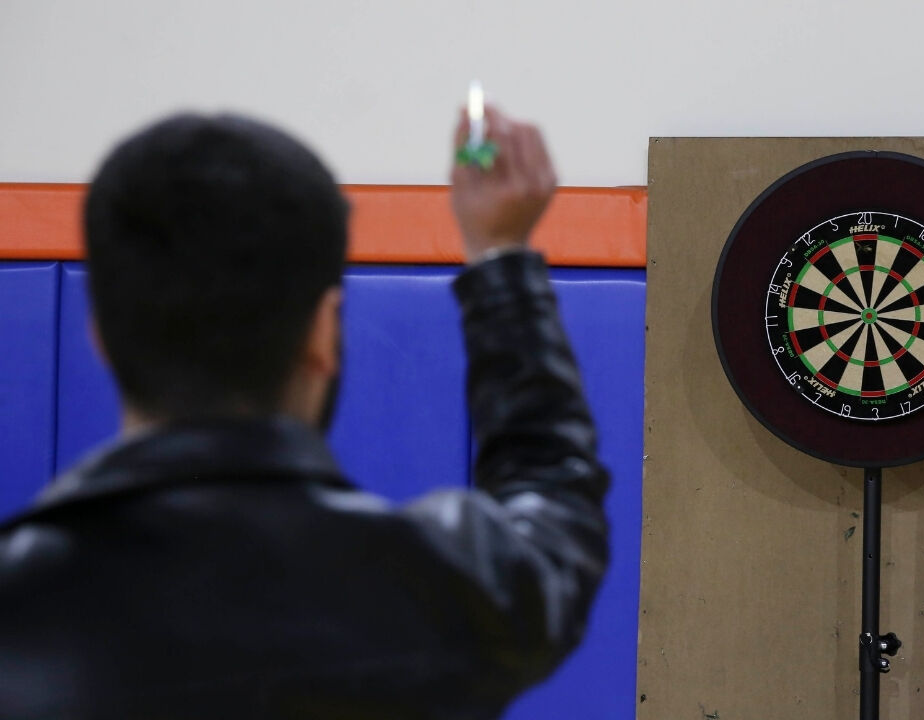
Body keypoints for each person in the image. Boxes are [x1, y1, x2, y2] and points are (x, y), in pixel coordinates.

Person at [0, 108, 609, 719]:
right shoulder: (435, 592)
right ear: (323, 333)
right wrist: (501, 257)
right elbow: (553, 506)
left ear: (101, 336)